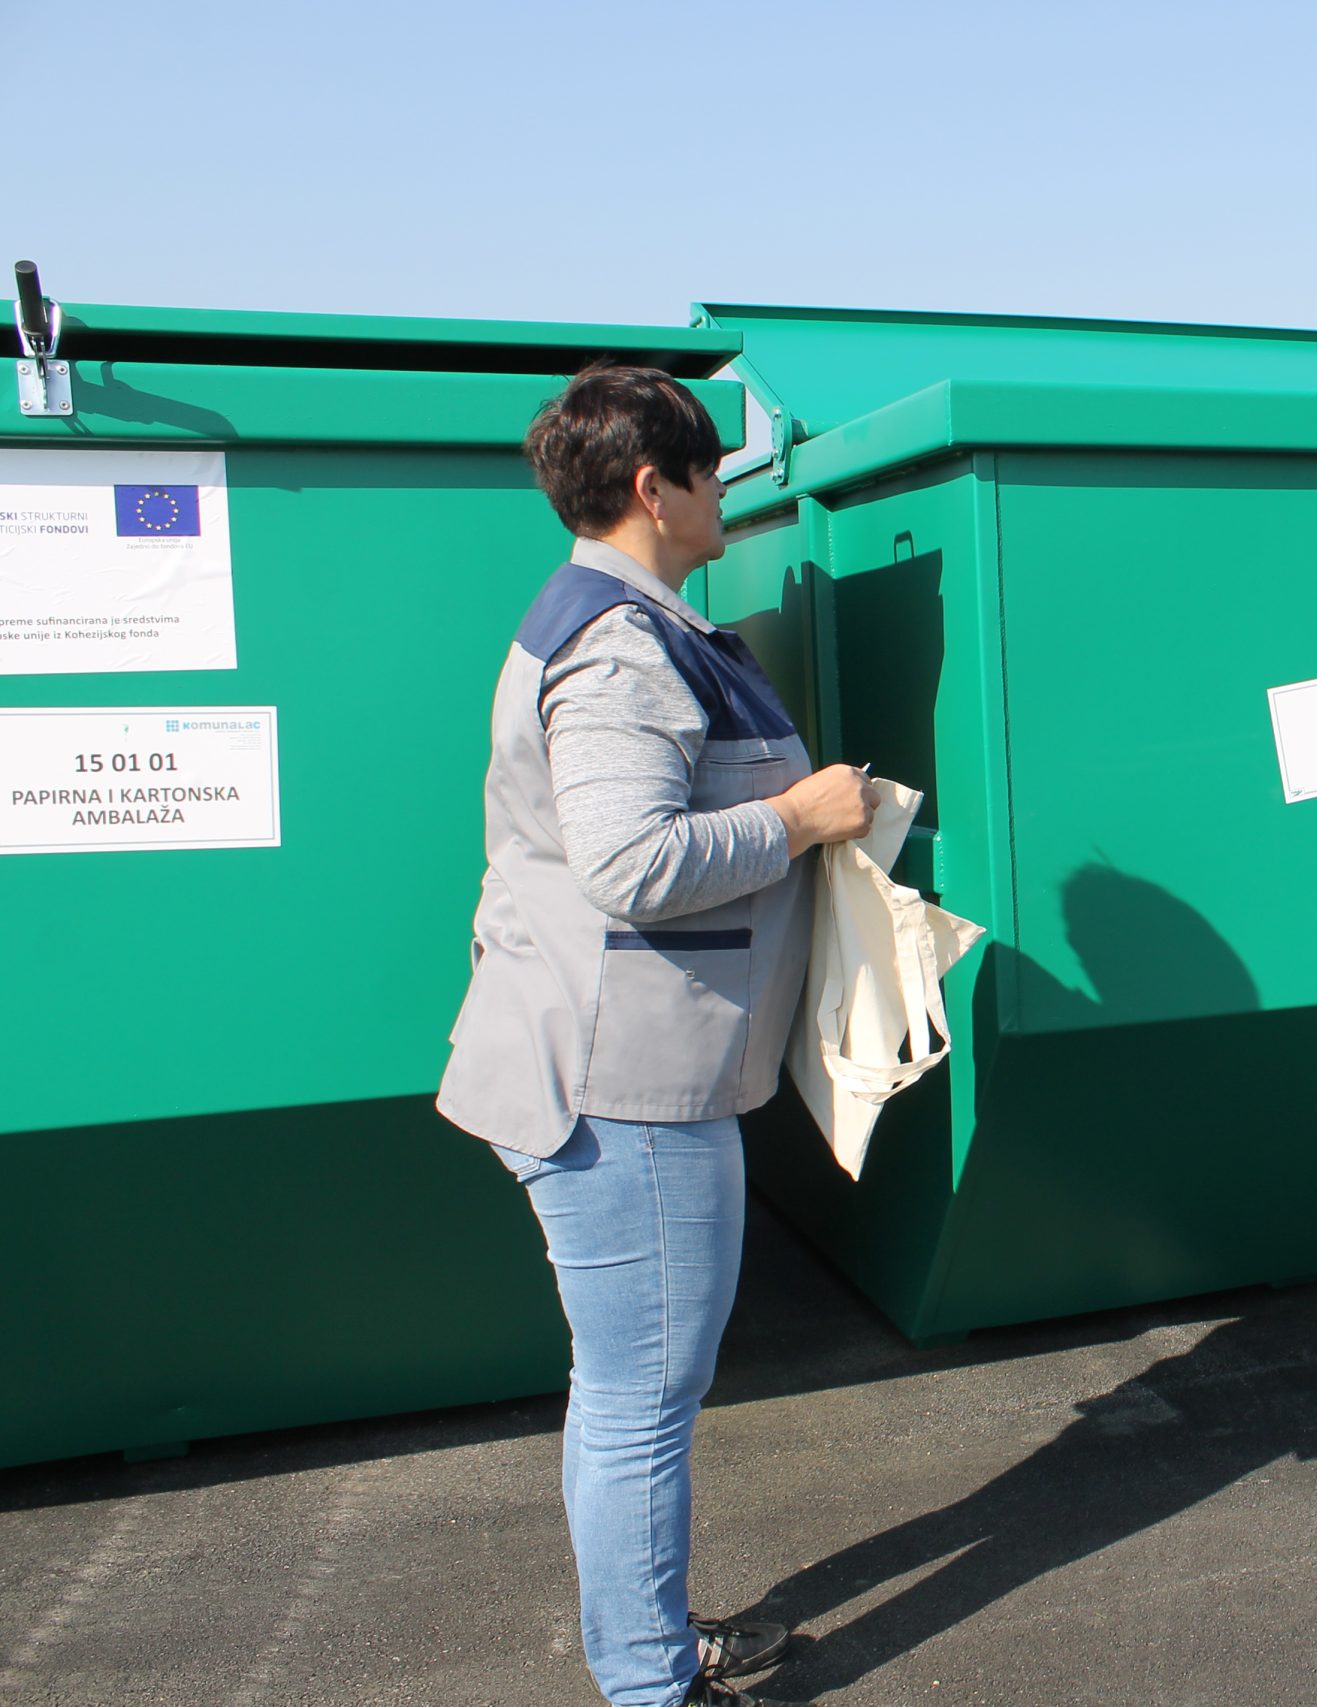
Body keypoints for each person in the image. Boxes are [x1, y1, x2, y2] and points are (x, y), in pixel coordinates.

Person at [437, 365, 878, 1705]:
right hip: (620, 1082)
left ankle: (646, 1641)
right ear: (653, 488)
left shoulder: (625, 619)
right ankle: (649, 1681)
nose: (724, 491)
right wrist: (804, 819)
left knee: (631, 1386)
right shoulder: (622, 646)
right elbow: (631, 860)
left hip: (617, 1061)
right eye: (710, 470)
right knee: (640, 1394)